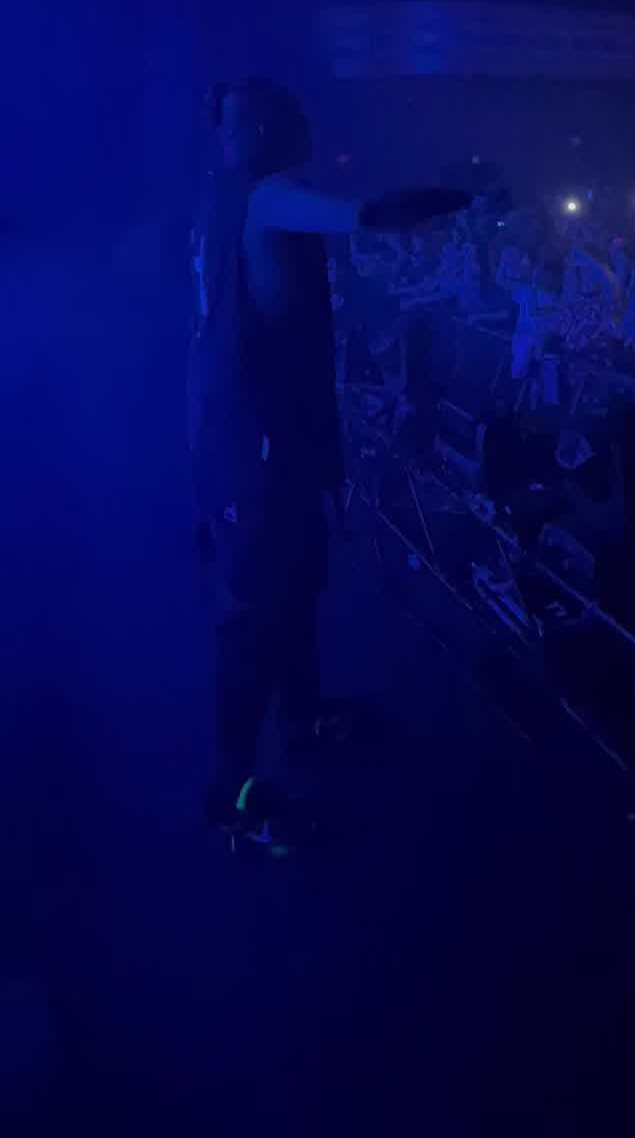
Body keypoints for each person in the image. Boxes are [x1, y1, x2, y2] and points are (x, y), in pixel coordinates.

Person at [189, 78, 467, 852]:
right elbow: (368, 215)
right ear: (265, 130)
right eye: (294, 117)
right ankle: (232, 796)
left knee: (297, 580)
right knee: (254, 613)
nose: (308, 126)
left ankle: (303, 717)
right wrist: (463, 197)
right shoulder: (266, 197)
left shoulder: (218, 205)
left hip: (271, 435)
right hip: (255, 444)